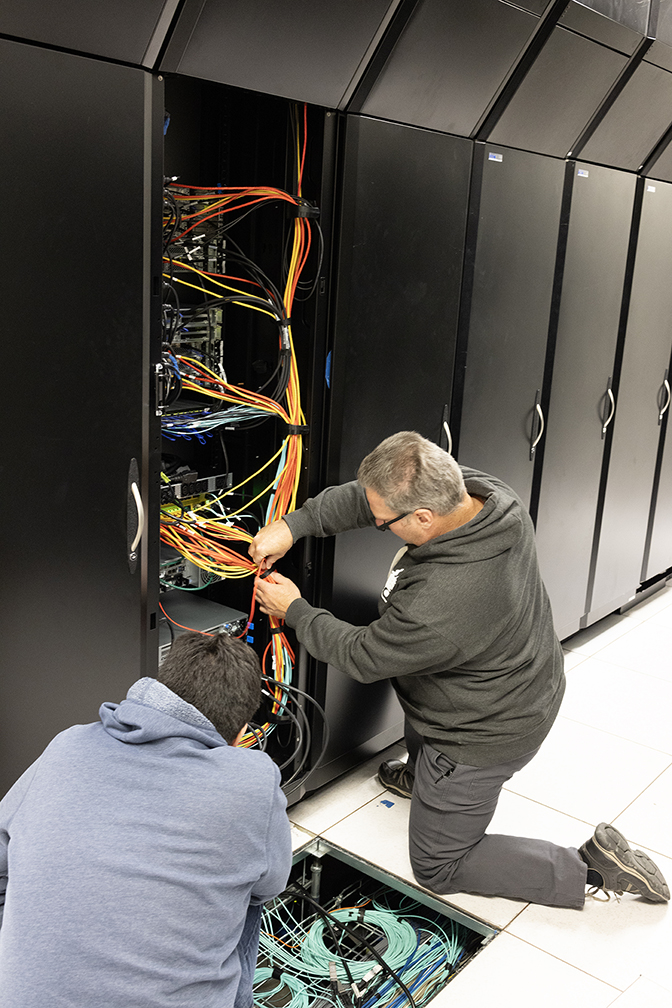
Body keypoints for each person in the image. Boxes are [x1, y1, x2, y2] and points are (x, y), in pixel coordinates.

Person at [251, 430, 669, 909]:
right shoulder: (485, 495)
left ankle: (590, 868)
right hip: (508, 677)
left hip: (483, 729)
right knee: (424, 694)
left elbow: (364, 656)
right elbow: (375, 499)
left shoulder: (445, 600)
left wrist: (296, 609)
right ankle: (424, 779)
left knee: (438, 865)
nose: (379, 525)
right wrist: (296, 524)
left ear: (423, 517)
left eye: (385, 524)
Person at [0, 631, 292, 1008]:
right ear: (239, 734)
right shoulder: (253, 779)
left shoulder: (66, 745)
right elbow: (270, 885)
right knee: (249, 902)